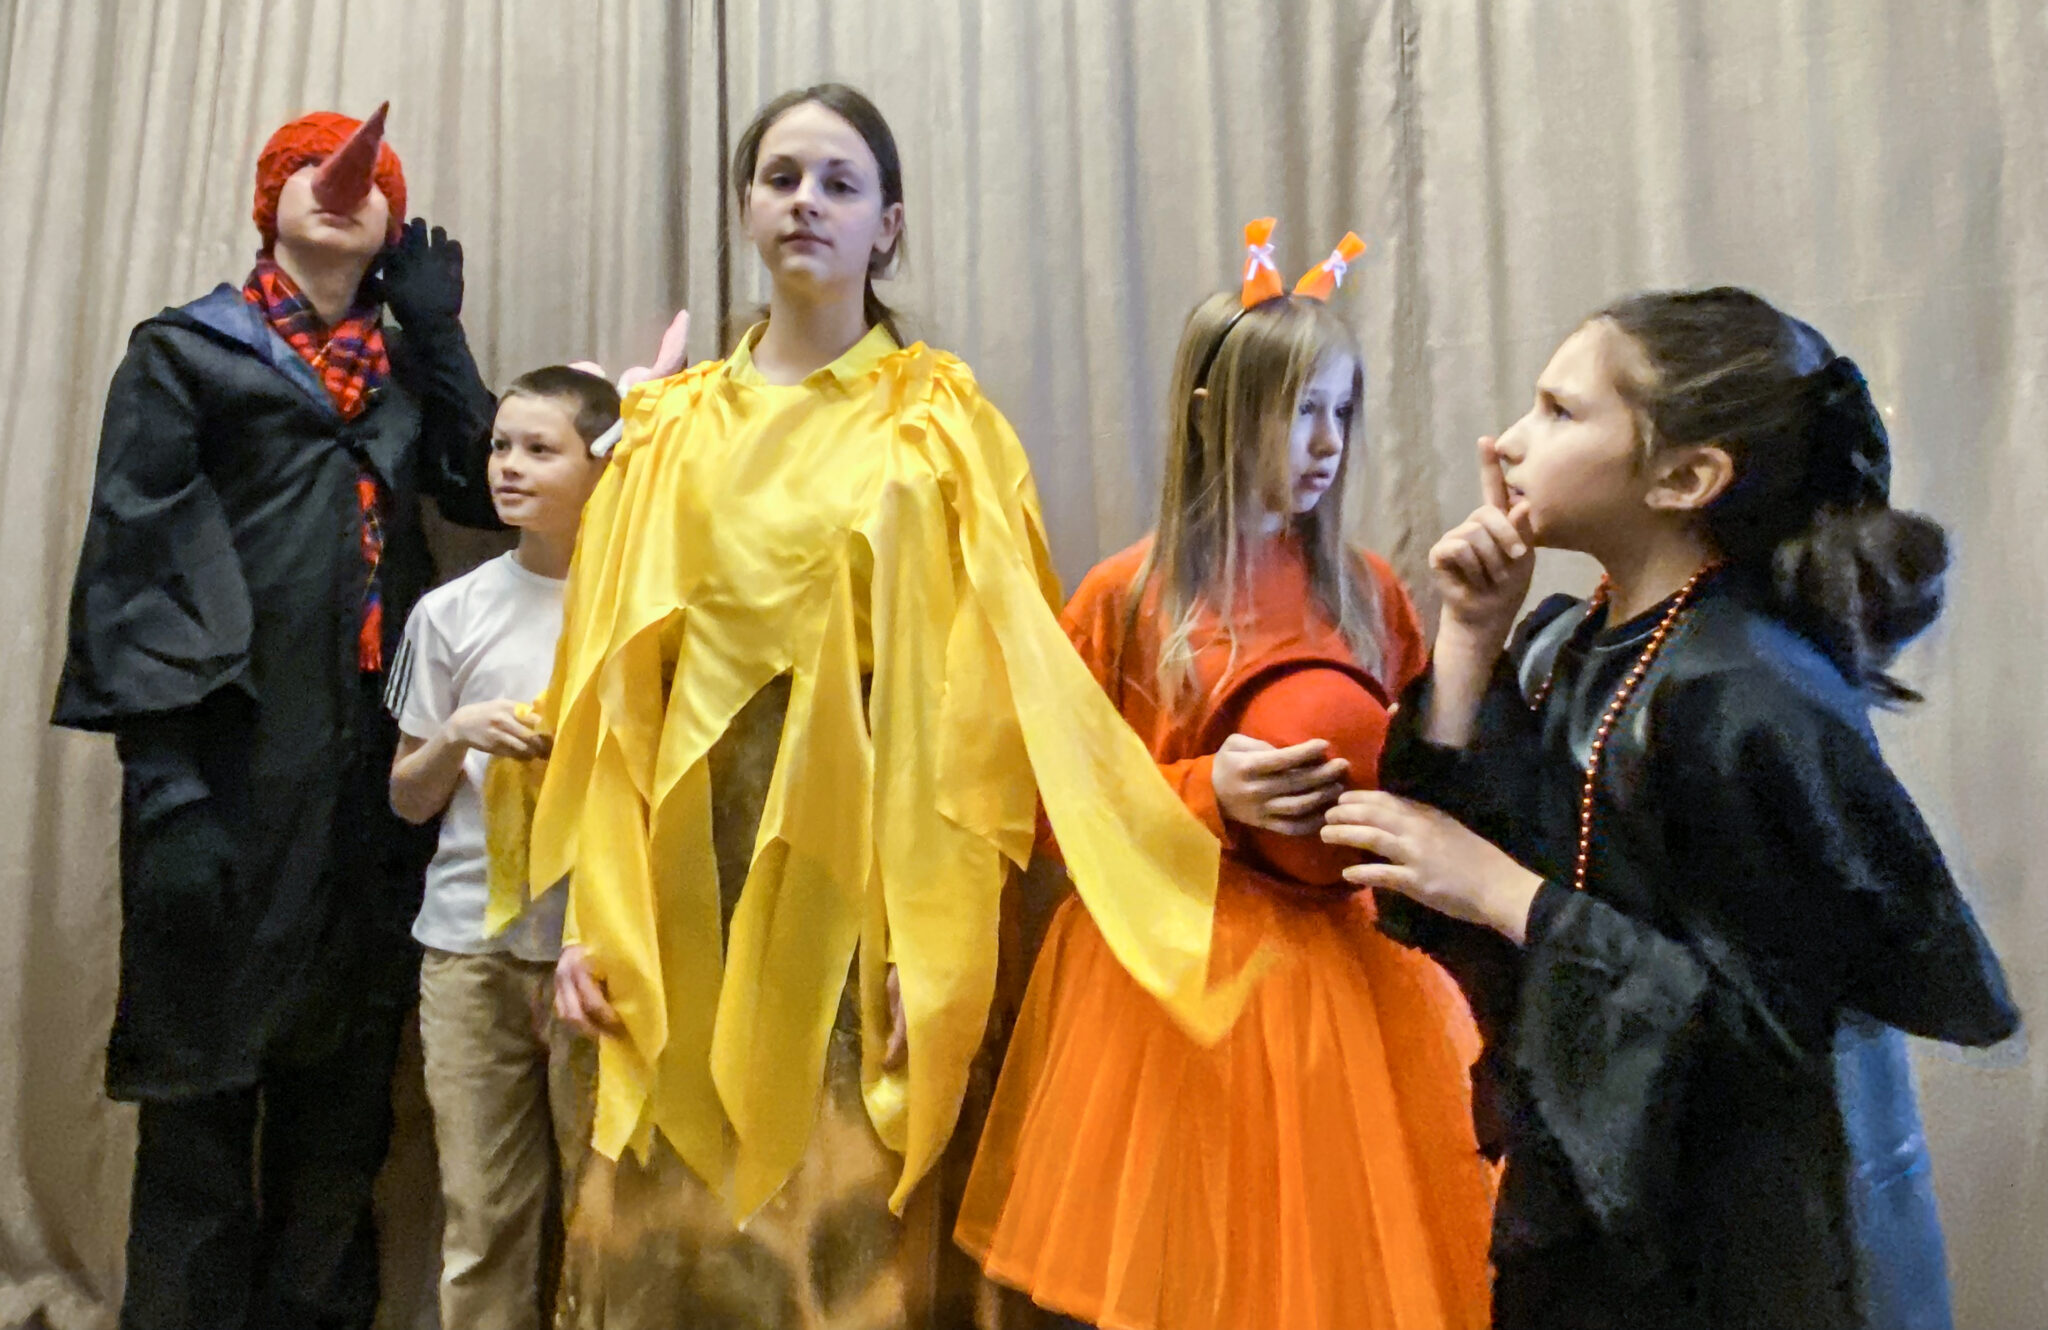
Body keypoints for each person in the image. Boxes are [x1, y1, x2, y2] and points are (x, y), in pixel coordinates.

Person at [529, 84, 1234, 1328]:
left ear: (886, 225)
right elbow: (613, 696)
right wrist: (594, 915)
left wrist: (942, 936)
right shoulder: (668, 434)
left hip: (864, 881)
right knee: (662, 1233)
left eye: (839, 183)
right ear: (746, 209)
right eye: (781, 177)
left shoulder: (939, 429)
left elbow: (981, 707)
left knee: (842, 1231)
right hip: (680, 884)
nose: (806, 201)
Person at [1322, 286, 2020, 1329]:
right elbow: (1438, 907)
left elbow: (1760, 1041)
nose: (1508, 442)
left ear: (1685, 477)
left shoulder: (1750, 695)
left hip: (1748, 1252)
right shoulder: (1566, 640)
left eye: (1560, 412)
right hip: (1602, 1218)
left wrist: (1507, 894)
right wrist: (1469, 637)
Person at [958, 222, 1495, 1330]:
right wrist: (1211, 793)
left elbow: (1428, 779)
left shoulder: (1367, 592)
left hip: (1348, 992)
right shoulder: (1126, 600)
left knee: (1331, 1277)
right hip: (1173, 1000)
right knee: (1193, 1273)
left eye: (1340, 410)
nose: (1326, 442)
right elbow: (1054, 809)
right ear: (1212, 411)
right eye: (1296, 409)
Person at [52, 104, 498, 1329]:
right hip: (224, 775)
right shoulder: (187, 354)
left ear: (393, 227)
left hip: (369, 785)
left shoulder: (402, 374)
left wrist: (438, 333)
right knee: (200, 1106)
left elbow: (486, 489)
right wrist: (168, 789)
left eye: (365, 179)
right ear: (268, 203)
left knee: (342, 1112)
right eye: (307, 168)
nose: (338, 183)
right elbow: (134, 566)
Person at [385, 366, 619, 1330]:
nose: (509, 467)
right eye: (500, 447)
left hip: (602, 959)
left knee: (607, 1225)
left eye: (539, 449)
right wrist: (456, 734)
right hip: (468, 953)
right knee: (482, 1219)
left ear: (600, 466)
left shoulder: (643, 608)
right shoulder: (450, 612)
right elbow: (408, 800)